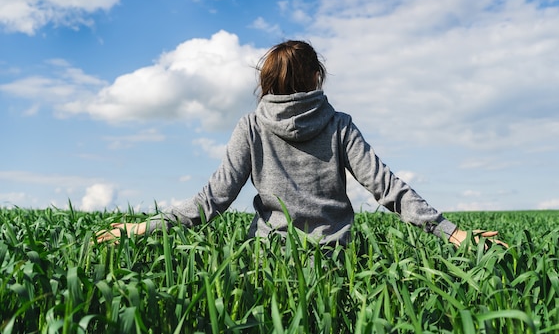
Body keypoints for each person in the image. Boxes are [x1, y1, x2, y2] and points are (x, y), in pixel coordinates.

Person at [97, 40, 505, 249]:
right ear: (315, 78)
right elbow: (388, 190)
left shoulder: (251, 127)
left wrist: (142, 228)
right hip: (337, 265)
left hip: (269, 264)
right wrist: (454, 234)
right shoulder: (339, 125)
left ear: (268, 82)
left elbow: (212, 201)